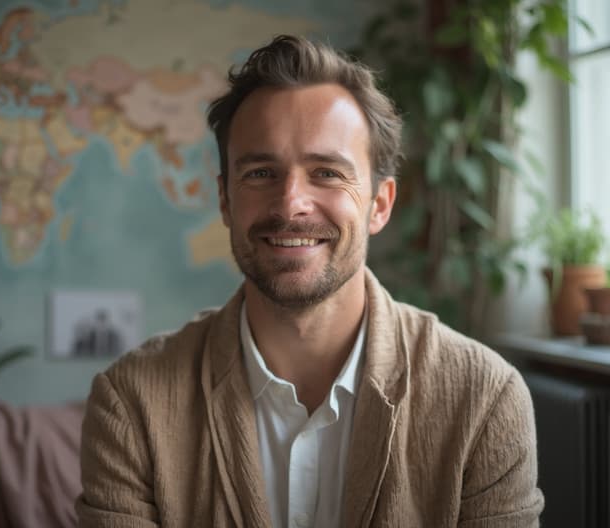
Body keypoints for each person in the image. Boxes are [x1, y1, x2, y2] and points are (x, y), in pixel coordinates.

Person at [76, 35, 544, 527]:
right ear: (225, 201)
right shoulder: (131, 402)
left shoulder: (484, 399)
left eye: (326, 172)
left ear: (380, 204)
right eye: (260, 173)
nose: (290, 204)